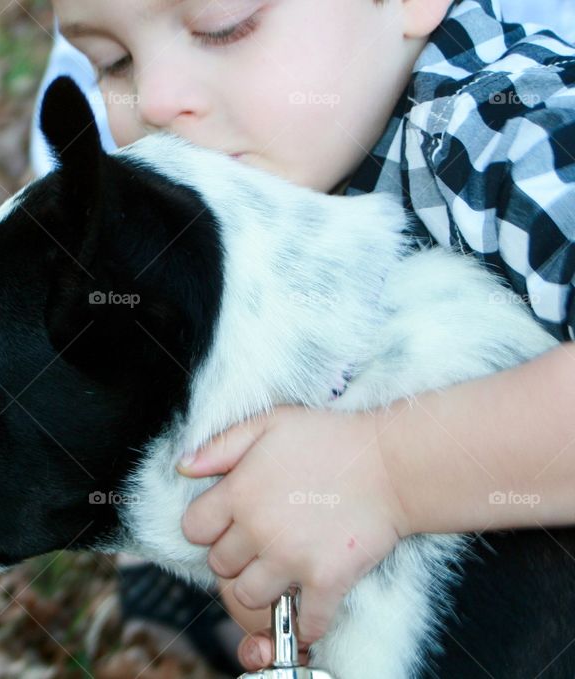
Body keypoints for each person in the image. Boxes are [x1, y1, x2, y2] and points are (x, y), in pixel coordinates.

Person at [29, 0, 575, 674]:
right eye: (114, 63)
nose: (157, 98)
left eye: (221, 25)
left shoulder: (508, 135)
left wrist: (385, 472)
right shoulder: (287, 169)